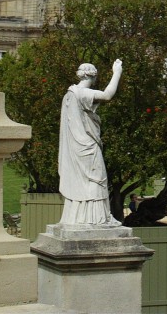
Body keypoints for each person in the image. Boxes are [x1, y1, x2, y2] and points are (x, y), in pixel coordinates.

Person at [58, 60, 123, 225]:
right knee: (97, 179)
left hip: (75, 146)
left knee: (82, 181)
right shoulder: (83, 93)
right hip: (87, 145)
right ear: (93, 75)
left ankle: (78, 217)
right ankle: (98, 218)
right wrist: (117, 72)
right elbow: (108, 95)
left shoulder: (69, 94)